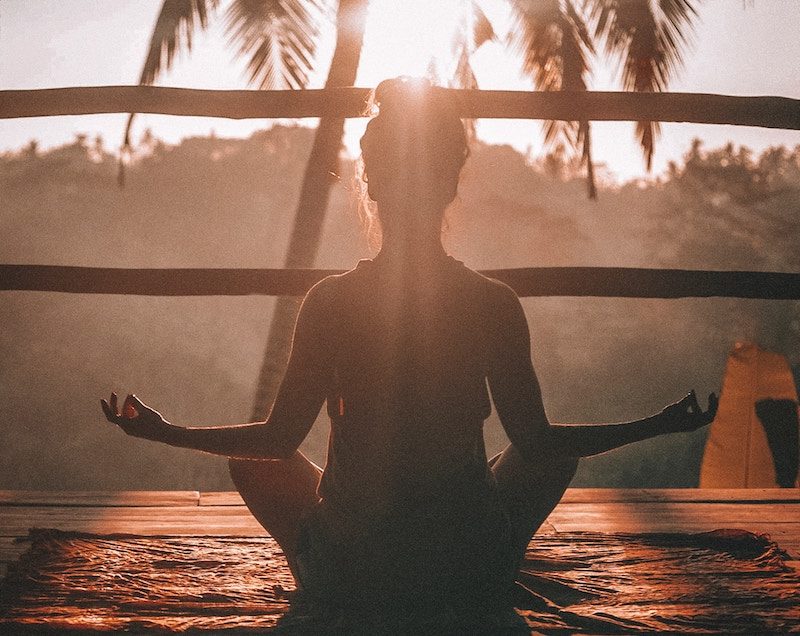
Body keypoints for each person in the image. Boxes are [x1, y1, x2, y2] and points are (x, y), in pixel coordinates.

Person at [101, 77, 717, 619]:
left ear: (370, 185)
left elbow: (276, 441)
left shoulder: (332, 301)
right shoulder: (492, 302)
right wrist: (657, 424)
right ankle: (487, 571)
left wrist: (168, 431)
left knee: (252, 462)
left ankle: (324, 579)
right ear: (450, 185)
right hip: (463, 566)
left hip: (355, 568)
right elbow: (539, 442)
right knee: (550, 455)